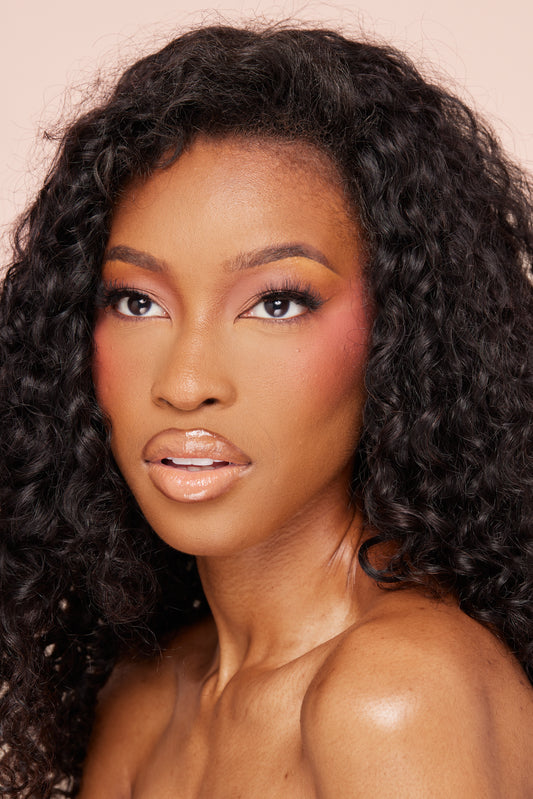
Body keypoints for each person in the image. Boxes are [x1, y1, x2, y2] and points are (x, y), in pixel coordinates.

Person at [0, 22, 532, 799]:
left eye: (276, 302)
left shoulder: (396, 697)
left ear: (403, 333)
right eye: (137, 300)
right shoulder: (141, 699)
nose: (185, 383)